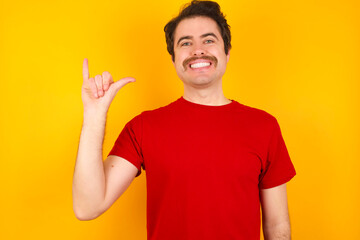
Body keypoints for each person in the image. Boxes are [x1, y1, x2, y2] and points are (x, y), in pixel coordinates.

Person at [72, 1, 296, 239]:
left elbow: (277, 225)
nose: (197, 50)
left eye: (208, 40)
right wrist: (94, 118)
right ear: (174, 59)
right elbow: (87, 207)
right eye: (186, 42)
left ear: (227, 52)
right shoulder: (143, 127)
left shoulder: (264, 126)